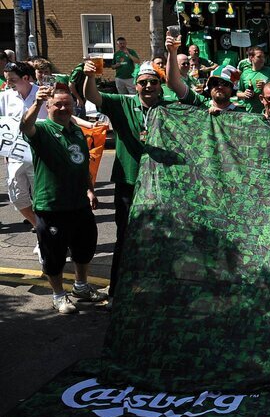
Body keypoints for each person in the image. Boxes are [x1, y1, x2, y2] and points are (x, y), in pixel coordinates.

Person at [83, 56, 172, 300]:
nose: (148, 86)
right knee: (124, 236)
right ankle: (116, 291)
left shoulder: (169, 107)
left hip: (160, 184)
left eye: (153, 82)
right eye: (143, 82)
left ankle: (158, 291)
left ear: (159, 85)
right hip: (128, 181)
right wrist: (90, 76)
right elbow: (92, 96)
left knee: (162, 236)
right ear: (135, 85)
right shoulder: (122, 103)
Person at [20, 85, 104, 314]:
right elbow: (25, 127)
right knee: (54, 255)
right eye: (57, 104)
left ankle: (81, 286)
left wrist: (90, 190)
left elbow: (83, 164)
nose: (63, 108)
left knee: (84, 248)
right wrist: (36, 103)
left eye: (67, 104)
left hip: (79, 203)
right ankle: (58, 295)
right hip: (52, 205)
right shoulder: (42, 129)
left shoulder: (76, 130)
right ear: (48, 107)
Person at [1, 62, 44, 233]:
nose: (8, 84)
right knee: (17, 197)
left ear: (26, 78)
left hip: (38, 154)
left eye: (12, 80)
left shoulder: (42, 93)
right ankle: (40, 227)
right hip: (15, 155)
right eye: (6, 80)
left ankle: (46, 238)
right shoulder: (5, 97)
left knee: (40, 197)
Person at [237, 47, 270, 113]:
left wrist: (266, 86)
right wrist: (244, 94)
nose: (262, 59)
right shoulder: (245, 73)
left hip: (269, 112)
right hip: (251, 112)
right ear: (251, 58)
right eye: (259, 57)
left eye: (263, 57)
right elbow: (238, 92)